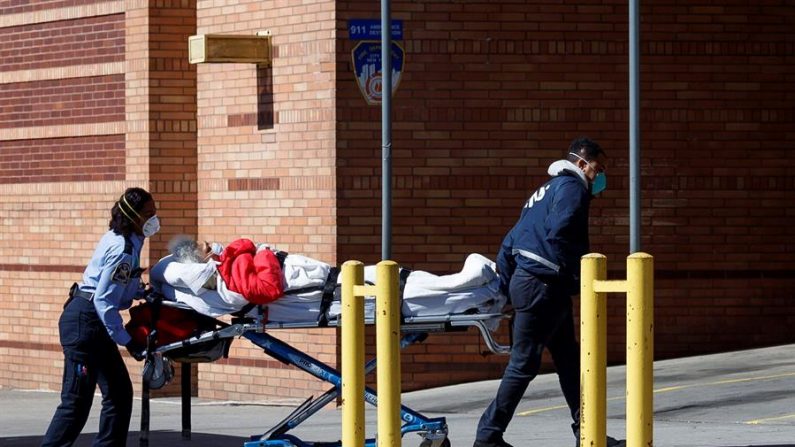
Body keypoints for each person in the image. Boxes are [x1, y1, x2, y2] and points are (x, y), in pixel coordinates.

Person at [473, 138, 622, 447]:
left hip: (535, 285)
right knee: (524, 364)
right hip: (543, 286)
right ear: (582, 164)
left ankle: (588, 434)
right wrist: (575, 277)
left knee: (569, 361)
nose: (601, 175)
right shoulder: (573, 189)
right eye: (599, 168)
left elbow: (508, 243)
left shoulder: (542, 192)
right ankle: (488, 437)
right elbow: (562, 232)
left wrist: (510, 289)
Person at [41, 187, 158, 447]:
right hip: (86, 323)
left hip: (94, 322)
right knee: (76, 403)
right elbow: (104, 300)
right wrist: (127, 339)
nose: (154, 218)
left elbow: (117, 285)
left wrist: (140, 290)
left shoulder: (126, 240)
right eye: (149, 214)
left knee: (118, 394)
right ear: (134, 217)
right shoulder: (122, 249)